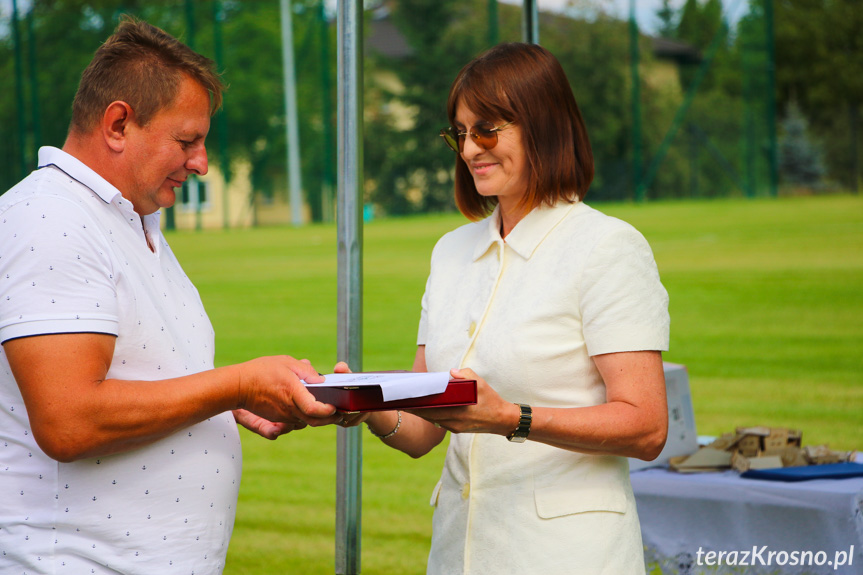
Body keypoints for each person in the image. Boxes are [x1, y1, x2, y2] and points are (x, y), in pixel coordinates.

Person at [0, 17, 340, 574]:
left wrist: (231, 400)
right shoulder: (50, 217)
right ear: (117, 124)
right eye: (187, 141)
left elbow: (138, 381)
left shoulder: (131, 219)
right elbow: (69, 419)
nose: (201, 163)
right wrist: (238, 381)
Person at [347, 42, 670, 574]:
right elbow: (424, 429)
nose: (471, 148)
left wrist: (510, 419)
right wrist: (366, 407)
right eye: (460, 133)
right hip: (460, 553)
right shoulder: (451, 252)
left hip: (567, 557)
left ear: (543, 126)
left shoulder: (607, 247)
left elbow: (646, 426)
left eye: (487, 129)